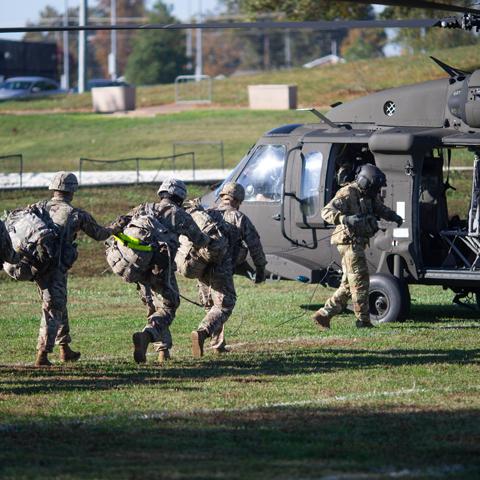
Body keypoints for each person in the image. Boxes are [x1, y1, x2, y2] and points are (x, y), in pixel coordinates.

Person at [34, 172, 127, 367]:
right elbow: (100, 234)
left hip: (36, 265)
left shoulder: (39, 208)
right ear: (72, 190)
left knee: (59, 302)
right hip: (54, 267)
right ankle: (42, 355)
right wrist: (116, 227)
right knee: (53, 307)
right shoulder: (76, 214)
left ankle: (64, 348)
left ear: (54, 189)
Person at [312, 164, 403, 329]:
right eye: (374, 188)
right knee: (360, 281)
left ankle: (324, 314)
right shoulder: (347, 193)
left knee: (348, 285)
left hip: (358, 242)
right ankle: (363, 321)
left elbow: (378, 207)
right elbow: (326, 212)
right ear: (365, 182)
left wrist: (393, 216)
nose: (375, 192)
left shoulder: (367, 194)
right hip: (349, 243)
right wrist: (345, 219)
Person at [129, 178, 210, 363]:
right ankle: (147, 336)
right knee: (169, 306)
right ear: (180, 198)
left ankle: (162, 353)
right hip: (160, 269)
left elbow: (123, 223)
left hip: (139, 266)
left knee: (154, 307)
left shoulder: (144, 208)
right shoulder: (178, 214)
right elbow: (200, 240)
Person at [191, 182, 267, 357]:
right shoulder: (238, 217)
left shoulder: (207, 214)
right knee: (225, 304)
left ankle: (217, 344)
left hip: (202, 265)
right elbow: (254, 244)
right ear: (239, 200)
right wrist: (261, 268)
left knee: (211, 306)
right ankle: (202, 333)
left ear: (222, 196)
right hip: (222, 268)